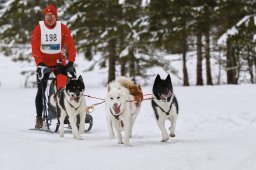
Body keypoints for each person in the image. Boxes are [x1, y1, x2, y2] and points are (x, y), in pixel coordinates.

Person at [31, 4, 76, 128]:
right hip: (43, 63)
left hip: (58, 62)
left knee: (63, 88)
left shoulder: (62, 28)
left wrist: (71, 62)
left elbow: (71, 45)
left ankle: (66, 114)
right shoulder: (39, 29)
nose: (50, 18)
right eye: (47, 16)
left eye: (52, 16)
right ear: (44, 17)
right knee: (41, 90)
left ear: (56, 16)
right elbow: (35, 48)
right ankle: (39, 118)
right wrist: (40, 63)